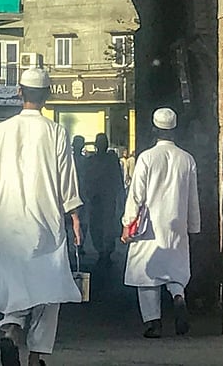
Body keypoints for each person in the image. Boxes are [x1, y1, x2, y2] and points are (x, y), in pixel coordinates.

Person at [0, 67, 83, 366]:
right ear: (47, 96)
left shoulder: (1, 130)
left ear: (19, 92)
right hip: (46, 222)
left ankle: (10, 329)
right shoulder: (57, 131)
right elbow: (66, 180)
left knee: (14, 284)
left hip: (8, 223)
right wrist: (74, 216)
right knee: (49, 289)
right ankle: (37, 357)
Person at [121, 107, 200, 338]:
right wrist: (193, 227)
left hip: (149, 227)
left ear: (154, 129)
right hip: (177, 225)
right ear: (175, 130)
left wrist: (128, 223)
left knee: (147, 276)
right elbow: (193, 198)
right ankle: (178, 297)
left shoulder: (146, 158)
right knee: (175, 271)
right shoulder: (187, 159)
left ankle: (153, 323)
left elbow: (136, 195)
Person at [83, 133, 125, 267]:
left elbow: (117, 179)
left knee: (105, 225)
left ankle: (105, 251)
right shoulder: (96, 161)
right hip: (99, 198)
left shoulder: (109, 160)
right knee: (98, 225)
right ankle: (103, 251)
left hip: (105, 198)